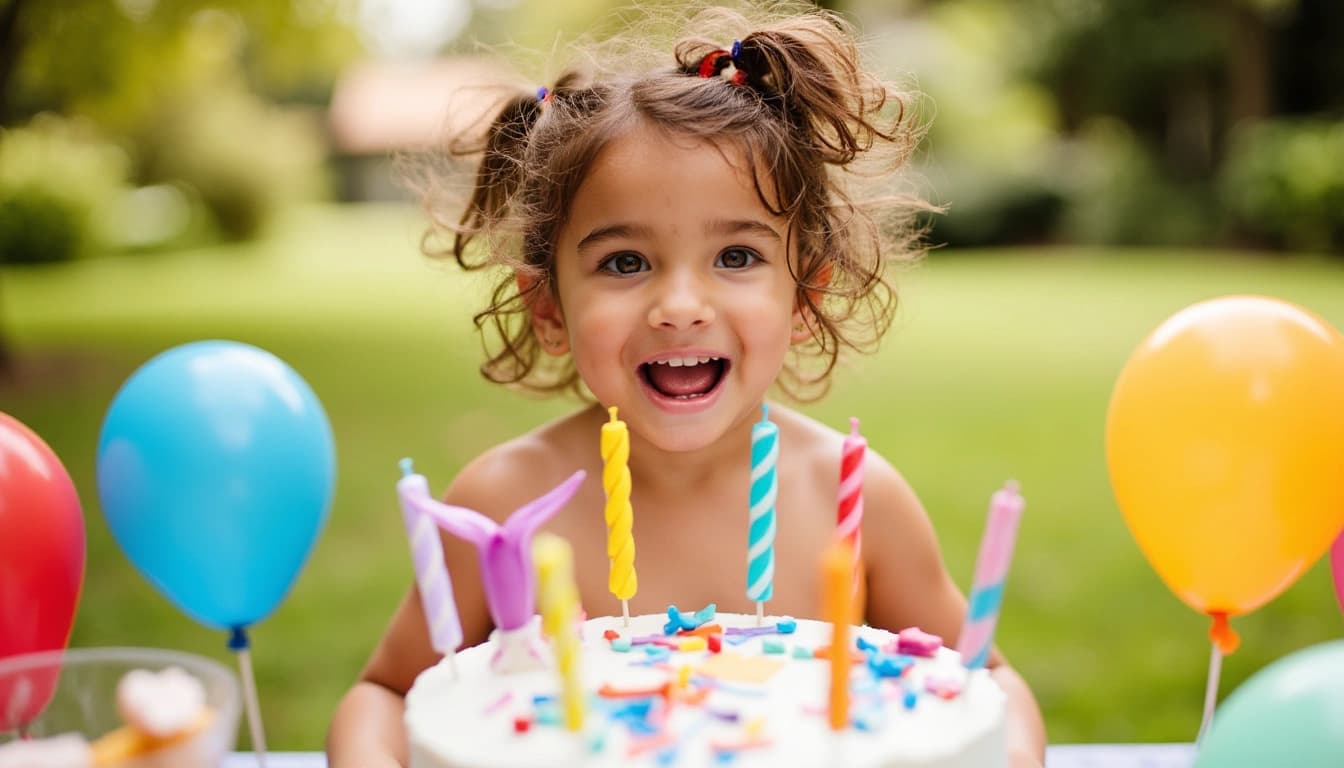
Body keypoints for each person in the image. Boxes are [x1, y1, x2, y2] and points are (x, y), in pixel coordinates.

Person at [327, 4, 1046, 767]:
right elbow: (387, 695)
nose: (679, 308)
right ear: (549, 309)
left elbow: (986, 682)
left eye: (736, 257)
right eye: (625, 263)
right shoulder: (502, 507)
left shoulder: (854, 499)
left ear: (805, 298)